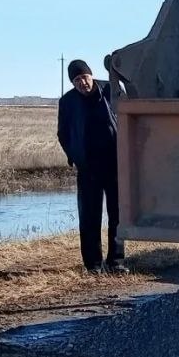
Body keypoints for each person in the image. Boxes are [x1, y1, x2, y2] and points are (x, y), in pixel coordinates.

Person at [57, 58, 128, 272]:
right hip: (87, 168)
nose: (82, 83)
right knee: (89, 217)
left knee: (117, 215)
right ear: (72, 83)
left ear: (91, 75)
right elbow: (63, 133)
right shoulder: (67, 102)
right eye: (77, 80)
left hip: (115, 164)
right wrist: (74, 156)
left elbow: (127, 119)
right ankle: (93, 265)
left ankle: (116, 261)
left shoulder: (110, 90)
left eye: (84, 77)